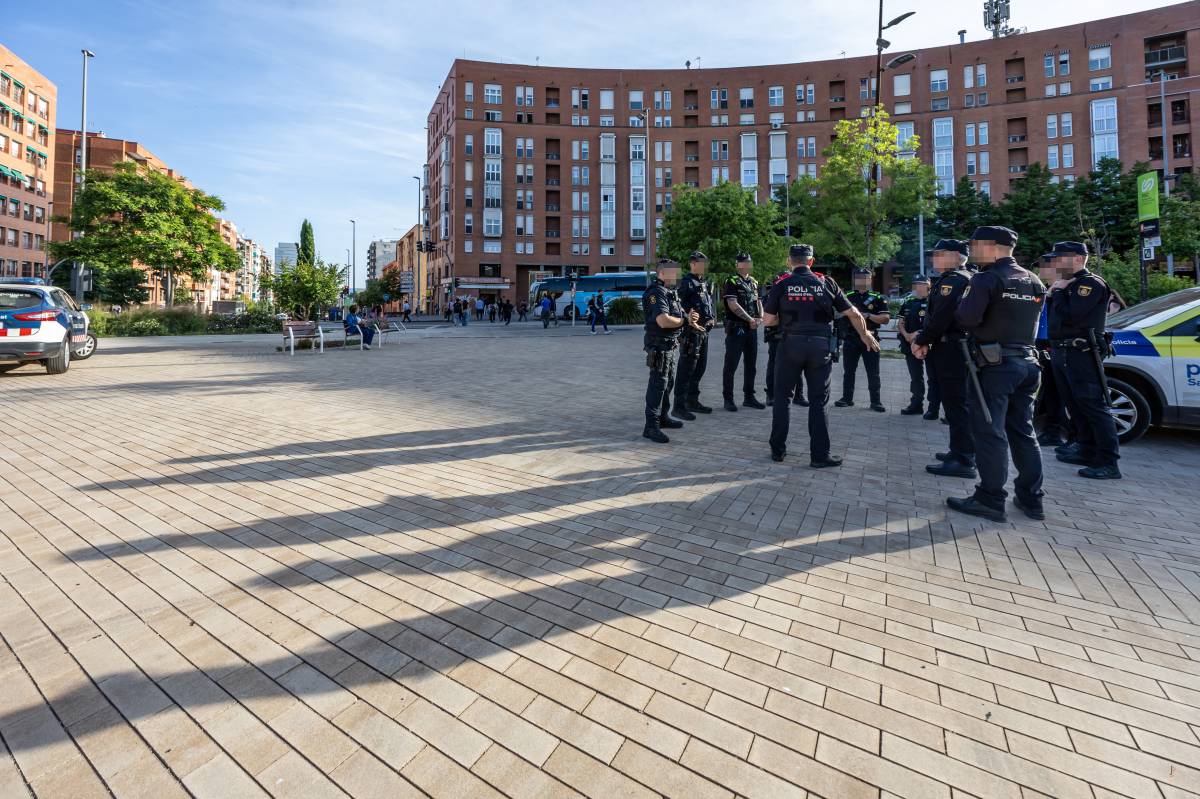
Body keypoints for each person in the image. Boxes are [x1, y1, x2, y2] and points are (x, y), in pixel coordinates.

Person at [923, 225, 1046, 522]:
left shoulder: (987, 279)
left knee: (990, 433)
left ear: (991, 246)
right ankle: (1032, 499)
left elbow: (967, 317)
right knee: (1024, 432)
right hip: (1028, 363)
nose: (972, 250)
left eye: (975, 245)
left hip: (995, 366)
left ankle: (990, 499)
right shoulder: (1032, 279)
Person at [764, 244, 879, 466]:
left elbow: (768, 320)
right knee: (819, 401)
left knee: (783, 399)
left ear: (789, 261)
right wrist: (865, 335)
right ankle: (819, 456)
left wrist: (788, 321)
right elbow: (853, 313)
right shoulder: (826, 282)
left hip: (790, 345)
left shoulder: (782, 284)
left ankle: (778, 451)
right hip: (820, 347)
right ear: (811, 261)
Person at [1046, 241, 1121, 480]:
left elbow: (1073, 316)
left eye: (1061, 258)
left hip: (1081, 353)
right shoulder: (1069, 284)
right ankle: (1085, 448)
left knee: (1093, 406)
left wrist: (1057, 291)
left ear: (1078, 259)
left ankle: (1109, 461)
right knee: (1075, 404)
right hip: (1063, 351)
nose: (1056, 262)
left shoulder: (1089, 284)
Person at [913, 239, 978, 478]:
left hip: (952, 349)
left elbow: (941, 317)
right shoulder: (968, 277)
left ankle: (964, 459)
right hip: (958, 347)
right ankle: (961, 450)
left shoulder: (955, 281)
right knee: (958, 403)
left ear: (954, 255)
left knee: (957, 403)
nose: (934, 259)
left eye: (939, 254)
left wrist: (921, 339)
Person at [642, 259, 691, 443]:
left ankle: (663, 417)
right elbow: (663, 320)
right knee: (658, 385)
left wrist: (686, 318)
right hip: (659, 346)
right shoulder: (655, 293)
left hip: (669, 345)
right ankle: (651, 427)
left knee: (668, 383)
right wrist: (684, 321)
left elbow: (677, 314)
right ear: (662, 273)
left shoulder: (670, 292)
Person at [835, 268, 890, 412]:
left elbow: (885, 319)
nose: (862, 281)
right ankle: (847, 398)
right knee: (849, 371)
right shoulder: (847, 296)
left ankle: (875, 401)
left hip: (870, 338)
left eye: (865, 278)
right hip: (851, 338)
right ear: (854, 280)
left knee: (873, 372)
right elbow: (838, 314)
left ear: (870, 280)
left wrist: (867, 315)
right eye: (859, 278)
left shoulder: (878, 298)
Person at [1034, 252, 1072, 447]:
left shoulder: (1065, 289)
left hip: (1055, 343)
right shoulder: (1047, 289)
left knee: (1058, 390)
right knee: (1050, 389)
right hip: (1042, 343)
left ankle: (1058, 431)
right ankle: (1052, 429)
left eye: (1043, 266)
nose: (1040, 270)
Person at [720, 252, 766, 411]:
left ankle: (749, 397)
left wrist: (760, 317)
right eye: (744, 262)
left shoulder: (753, 282)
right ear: (737, 264)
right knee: (731, 365)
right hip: (737, 328)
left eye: (749, 262)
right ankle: (728, 399)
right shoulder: (731, 281)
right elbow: (732, 304)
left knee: (751, 365)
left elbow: (758, 300)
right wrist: (750, 319)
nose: (748, 265)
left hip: (751, 328)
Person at [673, 251, 716, 417]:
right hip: (690, 333)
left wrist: (711, 318)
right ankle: (679, 406)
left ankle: (692, 401)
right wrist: (688, 319)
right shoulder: (685, 283)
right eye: (701, 263)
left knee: (700, 368)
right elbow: (677, 305)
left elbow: (707, 303)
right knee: (687, 369)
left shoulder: (702, 282)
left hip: (703, 332)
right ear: (692, 263)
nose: (704, 267)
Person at [762, 270, 806, 407]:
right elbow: (768, 317)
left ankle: (799, 395)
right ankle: (771, 395)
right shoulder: (770, 297)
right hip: (775, 335)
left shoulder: (794, 296)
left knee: (798, 365)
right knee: (774, 365)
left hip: (794, 335)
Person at [896, 275, 937, 416]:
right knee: (916, 377)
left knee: (933, 377)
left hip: (930, 345)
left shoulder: (935, 300)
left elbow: (936, 323)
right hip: (910, 345)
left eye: (920, 284)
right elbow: (900, 323)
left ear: (928, 285)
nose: (917, 287)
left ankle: (933, 408)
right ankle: (916, 404)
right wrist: (907, 335)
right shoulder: (908, 302)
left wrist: (917, 334)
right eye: (915, 284)